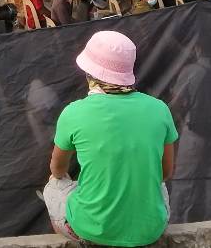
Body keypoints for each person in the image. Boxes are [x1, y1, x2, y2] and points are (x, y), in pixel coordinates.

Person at [43, 30, 178, 246]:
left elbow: (57, 169)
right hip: (150, 229)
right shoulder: (159, 109)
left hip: (92, 229)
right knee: (157, 185)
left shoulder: (73, 112)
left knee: (53, 185)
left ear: (90, 73)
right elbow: (166, 173)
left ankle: (82, 238)